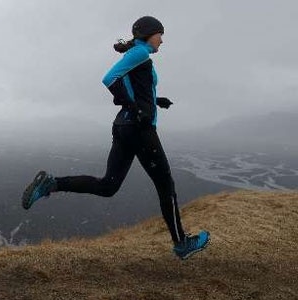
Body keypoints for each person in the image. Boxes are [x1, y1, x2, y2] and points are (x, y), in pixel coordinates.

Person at [21, 16, 210, 260]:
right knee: (166, 186)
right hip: (140, 130)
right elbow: (109, 78)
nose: (162, 40)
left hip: (124, 126)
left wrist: (154, 101)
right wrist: (136, 108)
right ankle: (182, 243)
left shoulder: (139, 54)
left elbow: (135, 86)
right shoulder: (140, 53)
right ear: (148, 34)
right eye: (160, 34)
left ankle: (51, 183)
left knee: (108, 185)